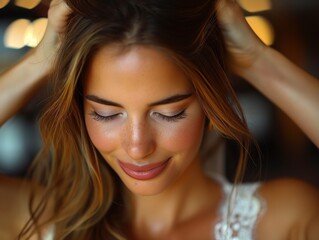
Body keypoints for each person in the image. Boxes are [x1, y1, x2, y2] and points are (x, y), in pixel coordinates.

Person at [0, 0, 318, 239]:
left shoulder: (281, 221)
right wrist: (39, 63)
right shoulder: (42, 222)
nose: (138, 146)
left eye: (169, 113)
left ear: (210, 102)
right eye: (107, 114)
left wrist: (257, 61)